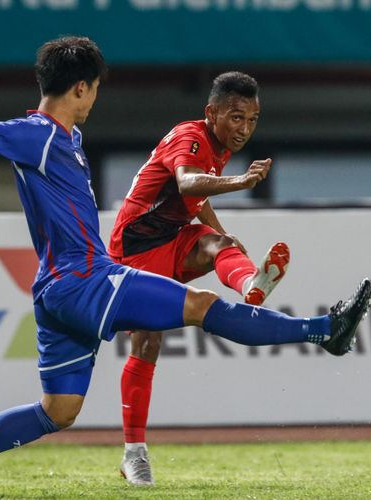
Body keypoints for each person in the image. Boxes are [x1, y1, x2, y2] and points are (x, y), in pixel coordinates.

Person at [0, 36, 371, 493]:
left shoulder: (63, 140)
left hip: (55, 291)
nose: (95, 99)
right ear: (81, 89)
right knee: (200, 306)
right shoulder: (39, 133)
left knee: (57, 411)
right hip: (89, 278)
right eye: (96, 90)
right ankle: (324, 330)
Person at [108, 71, 291, 485]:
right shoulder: (189, 136)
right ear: (211, 113)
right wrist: (242, 181)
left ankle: (251, 285)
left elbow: (196, 198)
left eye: (253, 120)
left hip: (174, 236)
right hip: (135, 248)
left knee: (218, 245)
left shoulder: (219, 146)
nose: (244, 129)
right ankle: (133, 453)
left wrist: (223, 233)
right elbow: (188, 181)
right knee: (147, 341)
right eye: (236, 117)